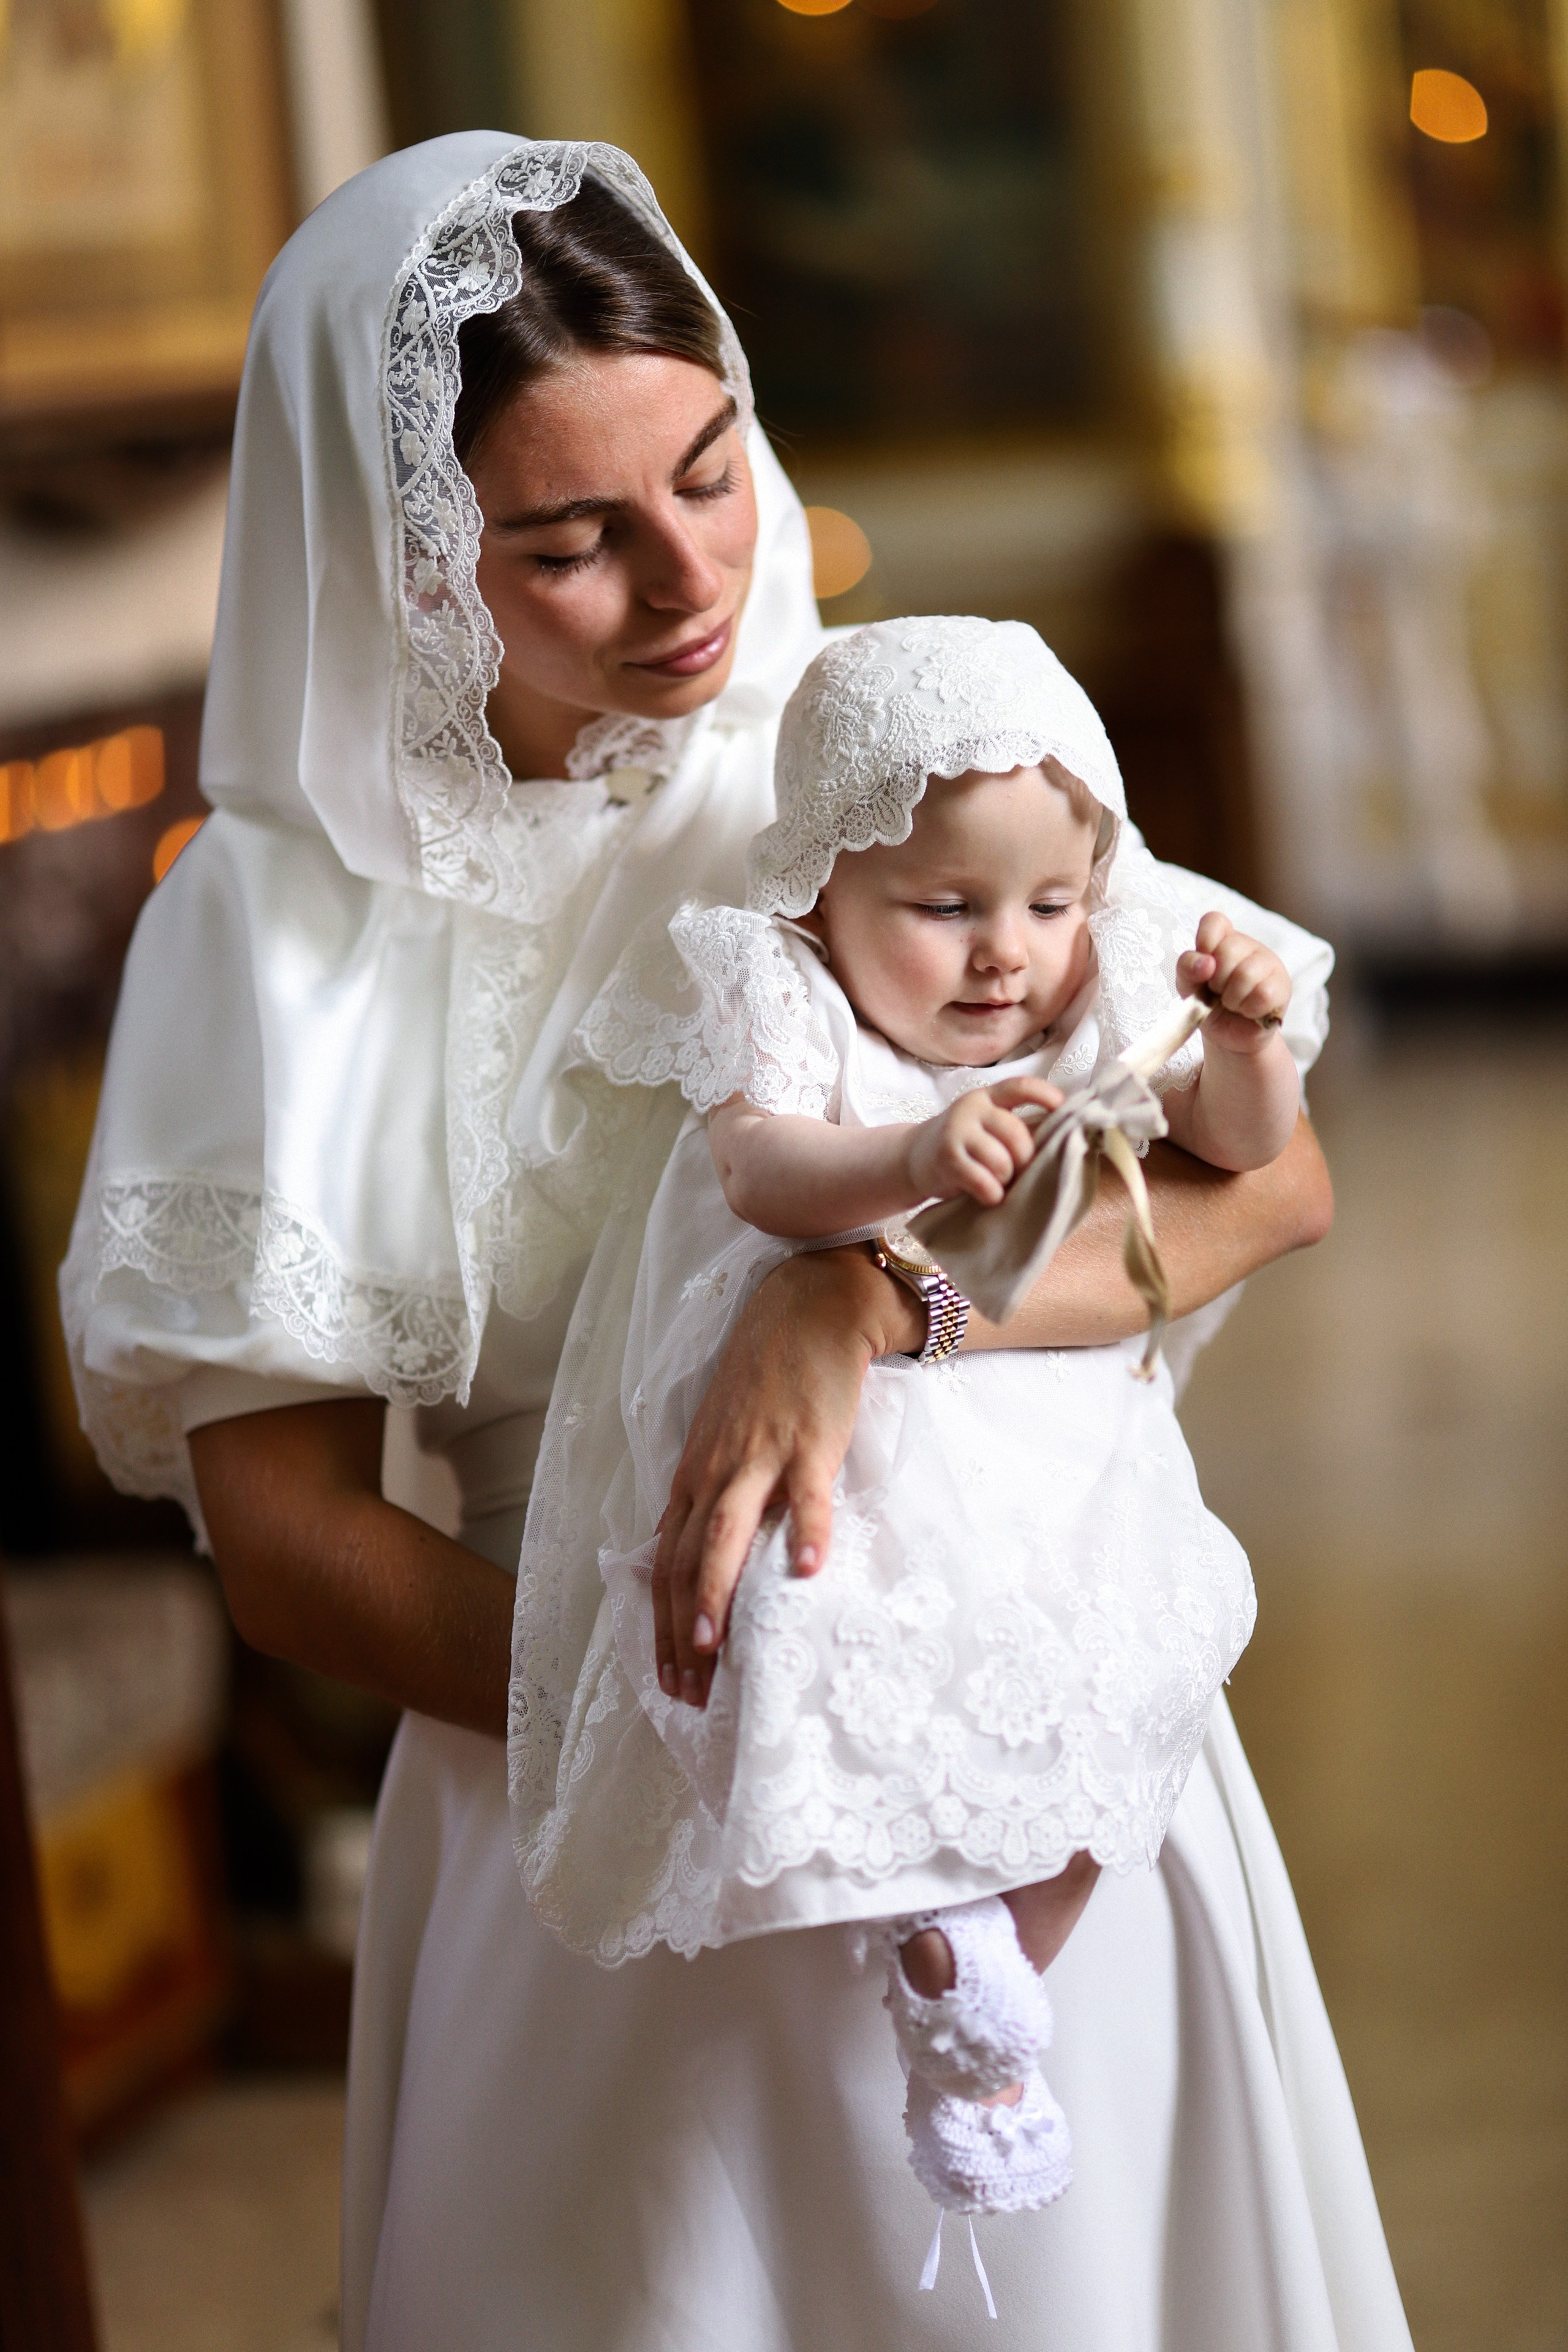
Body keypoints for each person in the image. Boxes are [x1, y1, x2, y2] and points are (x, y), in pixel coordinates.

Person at [59, 135, 1412, 2350]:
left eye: (713, 466)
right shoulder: (267, 927)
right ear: (410, 559)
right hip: (583, 1788)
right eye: (569, 542)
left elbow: (1266, 1183)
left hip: (1022, 1735)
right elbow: (285, 1536)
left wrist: (869, 1301)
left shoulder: (883, 756)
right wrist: (724, 1753)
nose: (688, 577)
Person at [508, 614, 1306, 2232]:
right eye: (944, 910)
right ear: (821, 890)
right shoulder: (781, 984)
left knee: (1134, 1644)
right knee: (824, 1627)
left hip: (1044, 1418)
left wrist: (1242, 1041)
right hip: (842, 1430)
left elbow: (1248, 1149)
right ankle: (917, 1924)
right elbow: (761, 1169)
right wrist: (914, 1160)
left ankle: (985, 1979)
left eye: (1047, 902)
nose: (1004, 953)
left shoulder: (1096, 982)